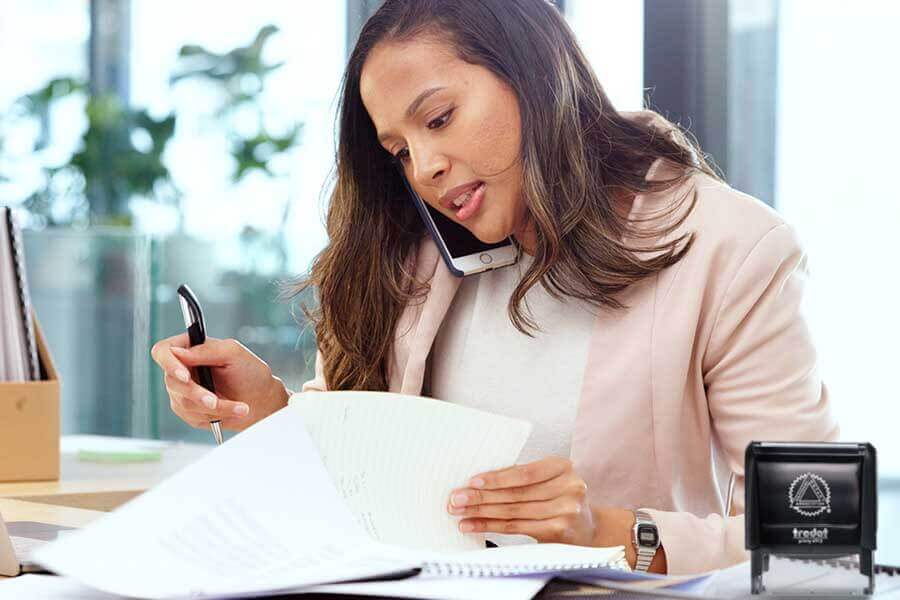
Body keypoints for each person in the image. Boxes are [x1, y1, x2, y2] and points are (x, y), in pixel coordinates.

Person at [150, 0, 838, 575]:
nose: (424, 166)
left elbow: (823, 541)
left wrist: (607, 530)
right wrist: (264, 412)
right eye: (399, 151)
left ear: (533, 76)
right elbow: (362, 485)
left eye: (439, 119)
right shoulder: (407, 253)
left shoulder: (732, 249)